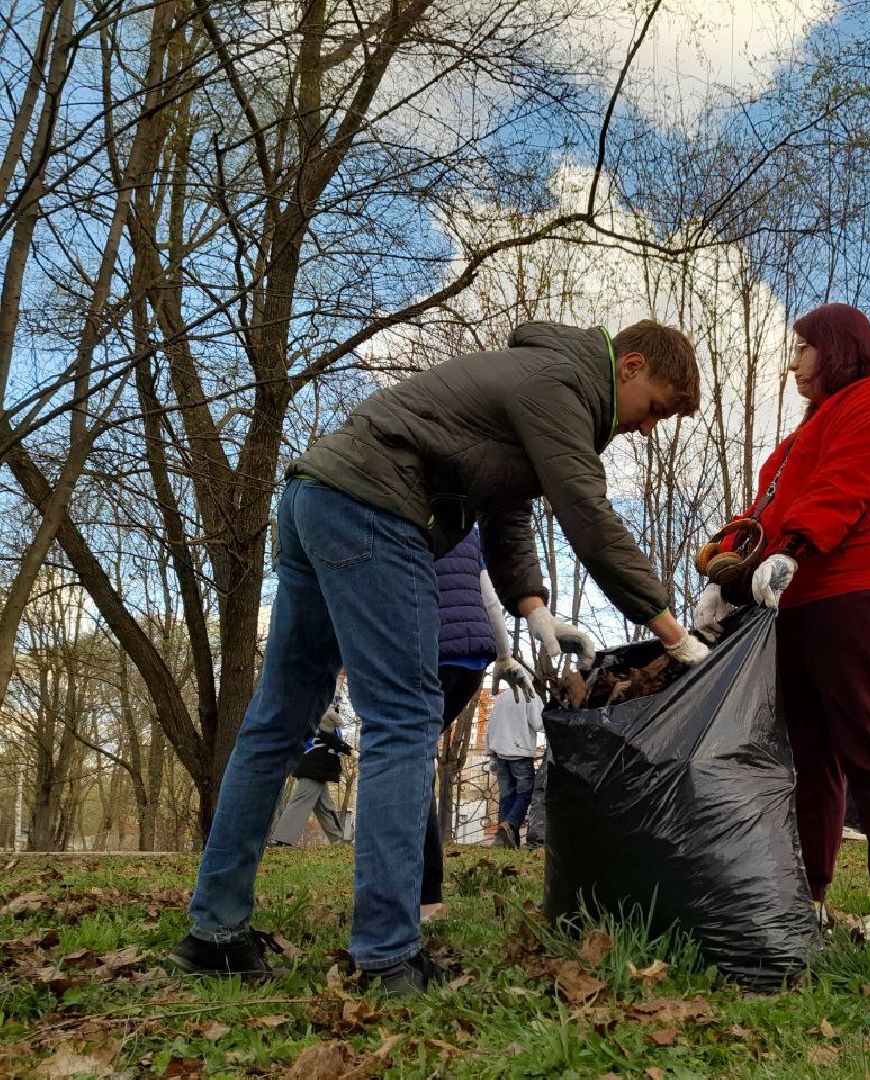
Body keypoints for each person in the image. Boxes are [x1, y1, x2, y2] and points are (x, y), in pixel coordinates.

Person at [173, 320, 710, 994]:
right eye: (656, 407)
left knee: (279, 718)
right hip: (375, 506)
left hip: (316, 494)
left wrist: (535, 608)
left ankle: (214, 932)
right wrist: (673, 633)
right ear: (630, 366)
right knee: (404, 716)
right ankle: (388, 956)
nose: (649, 427)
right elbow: (590, 518)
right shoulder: (564, 385)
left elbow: (508, 512)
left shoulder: (540, 382)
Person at [693, 303, 870, 961]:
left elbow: (845, 486)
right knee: (806, 759)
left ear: (837, 347)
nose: (793, 363)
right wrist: (721, 560)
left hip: (860, 590)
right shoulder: (802, 433)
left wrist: (795, 546)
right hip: (792, 599)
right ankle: (808, 897)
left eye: (803, 349)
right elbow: (763, 510)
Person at [421, 529, 532, 921]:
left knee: (407, 762)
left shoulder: (403, 512)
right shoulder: (468, 530)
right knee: (415, 759)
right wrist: (504, 655)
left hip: (427, 653)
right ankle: (425, 894)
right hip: (470, 663)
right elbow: (489, 599)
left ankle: (424, 895)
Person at [269, 703, 353, 846]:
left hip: (318, 770)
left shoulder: (325, 722)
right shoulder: (321, 720)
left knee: (324, 805)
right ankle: (282, 839)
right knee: (301, 801)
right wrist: (350, 750)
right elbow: (331, 739)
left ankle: (338, 838)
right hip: (313, 768)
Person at [485, 692, 545, 847]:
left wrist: (490, 752)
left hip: (500, 752)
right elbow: (539, 722)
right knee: (526, 793)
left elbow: (491, 725)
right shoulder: (529, 694)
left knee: (507, 797)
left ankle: (505, 844)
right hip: (520, 753)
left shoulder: (501, 697)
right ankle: (510, 824)